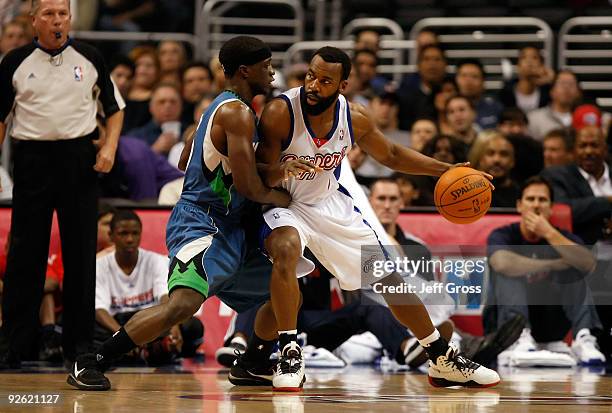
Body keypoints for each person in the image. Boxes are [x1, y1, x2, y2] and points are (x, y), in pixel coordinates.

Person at [243, 47, 500, 390]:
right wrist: (281, 171)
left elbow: (391, 153)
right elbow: (258, 175)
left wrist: (445, 170)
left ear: (343, 85)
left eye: (324, 80)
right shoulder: (280, 112)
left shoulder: (355, 117)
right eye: (310, 76)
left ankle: (440, 357)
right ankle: (289, 351)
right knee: (287, 250)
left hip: (329, 205)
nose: (313, 85)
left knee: (388, 279)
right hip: (283, 202)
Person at [67, 35, 299, 391]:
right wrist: (282, 196)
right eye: (267, 66)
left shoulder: (214, 109)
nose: (272, 74)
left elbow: (182, 158)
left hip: (230, 225)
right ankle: (93, 362)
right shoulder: (236, 113)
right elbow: (251, 188)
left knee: (280, 290)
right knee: (182, 305)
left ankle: (251, 362)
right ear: (245, 70)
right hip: (202, 221)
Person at [0, 0, 124, 369]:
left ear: (70, 19)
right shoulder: (14, 61)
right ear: (33, 20)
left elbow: (115, 109)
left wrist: (110, 149)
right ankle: (14, 346)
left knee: (81, 255)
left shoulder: (89, 57)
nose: (57, 21)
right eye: (49, 14)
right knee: (25, 256)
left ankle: (80, 346)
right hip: (32, 160)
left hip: (78, 161)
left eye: (63, 14)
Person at [486, 176, 605, 365]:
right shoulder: (503, 234)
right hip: (507, 324)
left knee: (574, 263)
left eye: (542, 200)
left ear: (551, 207)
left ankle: (584, 337)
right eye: (530, 199)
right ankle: (518, 339)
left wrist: (549, 233)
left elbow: (588, 263)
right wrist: (553, 264)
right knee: (509, 269)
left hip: (551, 324)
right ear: (519, 205)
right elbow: (501, 263)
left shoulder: (561, 236)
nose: (536, 205)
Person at [94, 210, 203, 364]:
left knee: (192, 326)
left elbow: (165, 297)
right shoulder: (100, 265)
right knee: (84, 326)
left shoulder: (156, 261)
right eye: (123, 234)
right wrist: (124, 338)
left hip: (151, 319)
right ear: (111, 236)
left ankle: (152, 350)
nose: (130, 239)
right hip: (117, 322)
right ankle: (144, 350)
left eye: (135, 233)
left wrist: (173, 324)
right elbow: (100, 309)